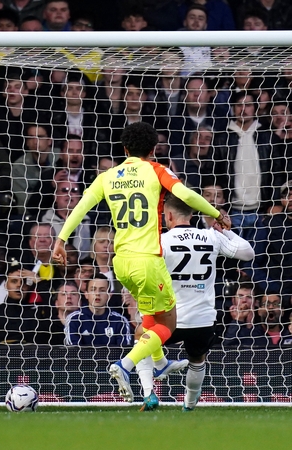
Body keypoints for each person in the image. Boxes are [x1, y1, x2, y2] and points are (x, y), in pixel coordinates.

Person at [51, 122, 230, 403]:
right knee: (169, 322)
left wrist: (61, 240)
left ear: (125, 149)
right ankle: (125, 364)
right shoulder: (157, 170)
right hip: (147, 259)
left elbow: (81, 206)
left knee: (149, 316)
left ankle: (159, 363)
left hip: (120, 262)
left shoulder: (107, 176)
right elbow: (184, 195)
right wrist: (215, 212)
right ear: (154, 149)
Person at [133, 193, 254, 411]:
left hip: (170, 320)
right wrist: (225, 230)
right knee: (197, 359)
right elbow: (248, 253)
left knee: (141, 336)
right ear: (192, 214)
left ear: (168, 215)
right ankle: (189, 405)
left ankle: (149, 393)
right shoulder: (210, 237)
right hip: (203, 319)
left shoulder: (159, 241)